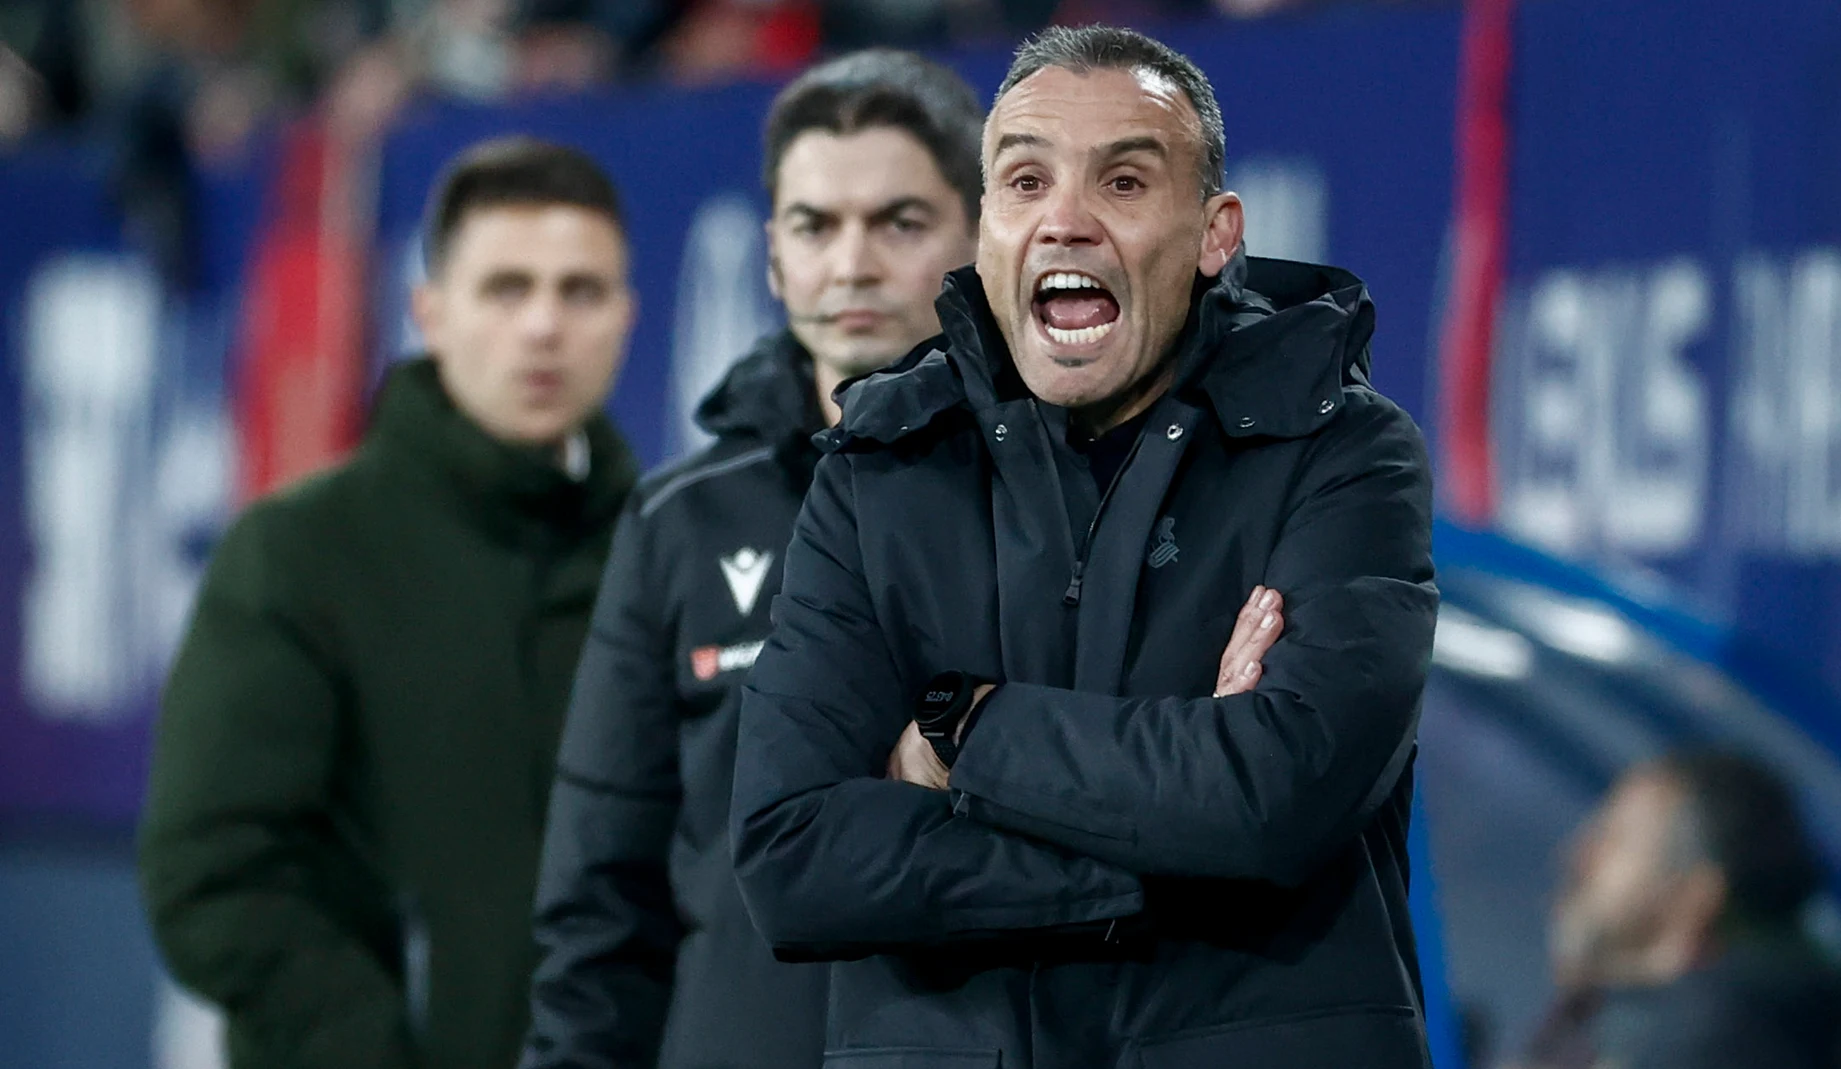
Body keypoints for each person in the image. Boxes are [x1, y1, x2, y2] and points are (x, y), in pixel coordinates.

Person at [729, 23, 1439, 1069]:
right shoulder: (878, 468)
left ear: (1214, 233)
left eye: (1122, 182)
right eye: (1024, 181)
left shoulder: (1341, 449)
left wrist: (962, 729)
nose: (1064, 220)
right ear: (985, 229)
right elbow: (793, 857)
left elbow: (1275, 800)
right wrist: (1164, 846)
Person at [519, 50, 986, 1069]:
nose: (852, 263)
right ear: (773, 255)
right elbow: (602, 900)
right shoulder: (678, 520)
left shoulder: (1060, 497)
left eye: (899, 223)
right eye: (816, 226)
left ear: (982, 237)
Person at [140, 137, 640, 1069]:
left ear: (625, 316)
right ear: (431, 313)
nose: (543, 327)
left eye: (580, 292)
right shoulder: (297, 552)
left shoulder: (669, 550)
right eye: (505, 288)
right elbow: (210, 872)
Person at [1515, 751, 1841, 1069]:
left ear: (1695, 896)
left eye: (1617, 840)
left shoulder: (1716, 1045)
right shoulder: (1619, 1024)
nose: (1578, 857)